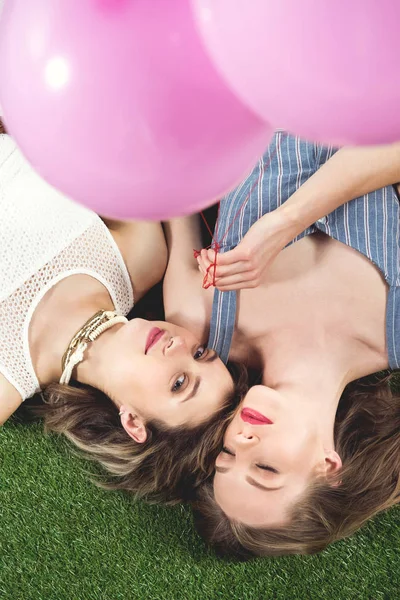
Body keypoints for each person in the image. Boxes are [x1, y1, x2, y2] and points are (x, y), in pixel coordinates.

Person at [0, 125, 245, 502]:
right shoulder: (143, 259)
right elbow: (116, 132)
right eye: (200, 353)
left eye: (178, 383)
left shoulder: (6, 383)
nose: (179, 346)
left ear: (132, 421)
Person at [186, 131, 400, 557]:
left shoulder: (210, 327)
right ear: (328, 466)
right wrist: (287, 222)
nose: (243, 441)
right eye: (266, 469)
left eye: (226, 454)